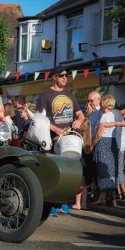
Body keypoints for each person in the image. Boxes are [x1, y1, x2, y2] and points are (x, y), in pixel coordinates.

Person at [36, 65, 85, 216]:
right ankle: (50, 204)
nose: (65, 78)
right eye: (62, 75)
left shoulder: (69, 94)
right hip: (53, 139)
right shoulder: (45, 95)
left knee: (70, 172)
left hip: (70, 139)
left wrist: (80, 121)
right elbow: (39, 119)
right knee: (55, 172)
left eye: (66, 76)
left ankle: (62, 202)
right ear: (55, 77)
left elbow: (80, 114)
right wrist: (55, 129)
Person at [91, 94, 120, 206]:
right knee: (110, 170)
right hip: (112, 143)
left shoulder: (104, 116)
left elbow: (99, 133)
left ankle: (102, 198)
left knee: (102, 169)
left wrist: (93, 144)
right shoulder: (112, 115)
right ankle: (112, 198)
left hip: (103, 143)